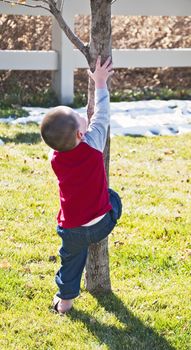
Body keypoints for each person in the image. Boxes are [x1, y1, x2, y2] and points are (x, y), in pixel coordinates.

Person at [40, 56, 122, 314]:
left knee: (70, 263)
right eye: (80, 118)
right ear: (80, 134)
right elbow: (102, 114)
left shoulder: (56, 159)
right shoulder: (93, 143)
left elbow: (81, 129)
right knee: (115, 198)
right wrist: (100, 82)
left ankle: (64, 303)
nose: (86, 119)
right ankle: (108, 208)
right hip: (101, 223)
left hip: (71, 230)